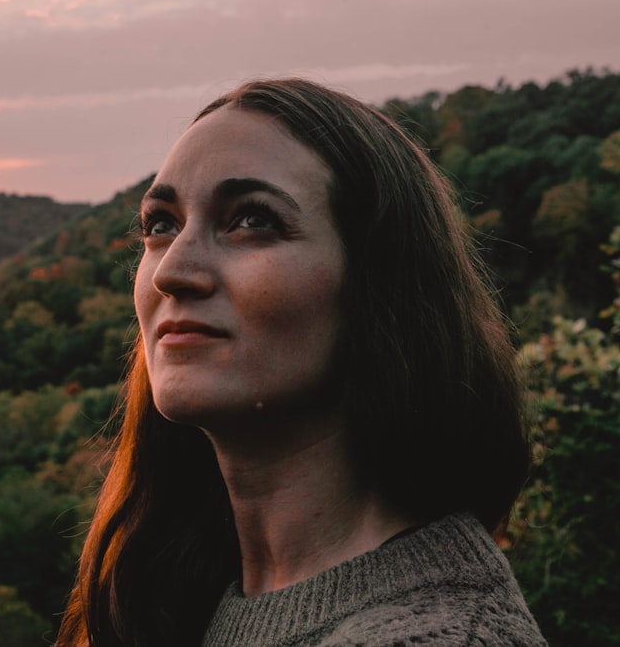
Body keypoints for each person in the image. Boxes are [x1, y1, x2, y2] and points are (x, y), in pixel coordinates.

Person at [55, 78, 547, 646]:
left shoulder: (443, 636)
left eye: (252, 219)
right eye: (161, 225)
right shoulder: (171, 596)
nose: (170, 271)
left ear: (379, 286)